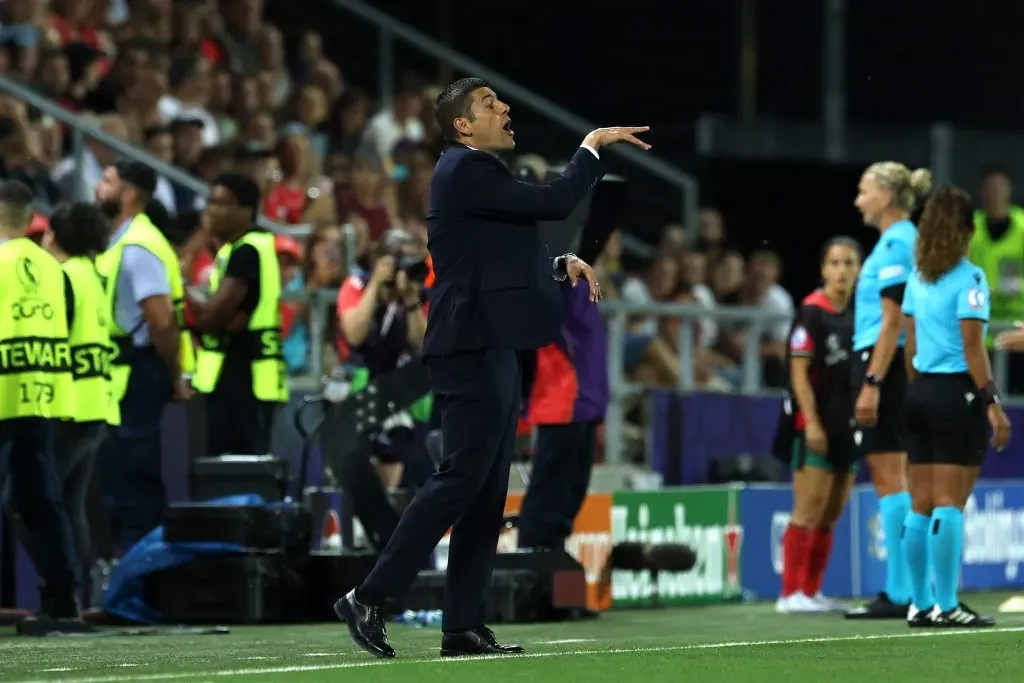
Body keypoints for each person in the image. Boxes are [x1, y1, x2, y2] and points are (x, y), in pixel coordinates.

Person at [335, 76, 649, 659]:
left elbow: (495, 258)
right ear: (462, 125)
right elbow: (554, 201)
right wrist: (591, 148)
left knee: (484, 490)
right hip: (470, 346)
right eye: (488, 104)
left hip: (489, 341)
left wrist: (558, 265)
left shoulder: (476, 178)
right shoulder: (465, 169)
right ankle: (369, 596)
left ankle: (463, 626)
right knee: (461, 477)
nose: (504, 108)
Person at [901, 186, 1010, 627]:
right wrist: (993, 404)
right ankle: (946, 605)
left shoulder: (916, 279)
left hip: (920, 391)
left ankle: (917, 603)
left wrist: (918, 394)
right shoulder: (971, 278)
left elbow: (910, 345)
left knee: (920, 503)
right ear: (966, 230)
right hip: (955, 394)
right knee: (950, 502)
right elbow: (972, 347)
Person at [94, 159, 194, 556]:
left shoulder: (138, 246)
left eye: (106, 181)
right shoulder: (120, 239)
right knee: (119, 478)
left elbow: (160, 320)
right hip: (121, 372)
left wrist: (174, 374)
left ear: (130, 193)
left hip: (140, 370)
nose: (98, 188)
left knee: (134, 478)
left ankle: (141, 576)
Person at [846, 161, 931, 620]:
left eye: (864, 191)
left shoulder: (897, 242)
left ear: (886, 195)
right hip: (891, 365)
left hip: (885, 366)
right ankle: (909, 587)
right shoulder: (898, 241)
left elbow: (893, 321)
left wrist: (873, 382)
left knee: (889, 480)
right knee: (897, 479)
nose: (858, 200)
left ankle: (900, 591)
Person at [0, 180, 81, 620]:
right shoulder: (53, 268)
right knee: (42, 500)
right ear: (31, 218)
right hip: (39, 396)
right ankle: (63, 597)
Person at [773, 237, 860, 614]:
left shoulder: (862, 312)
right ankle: (790, 593)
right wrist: (810, 424)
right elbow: (799, 374)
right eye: (835, 263)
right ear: (824, 269)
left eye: (849, 263)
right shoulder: (811, 311)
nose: (842, 271)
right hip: (815, 424)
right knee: (807, 507)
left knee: (832, 511)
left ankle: (812, 590)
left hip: (849, 424)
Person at [188, 173, 288, 456]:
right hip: (247, 378)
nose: (212, 210)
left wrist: (176, 286)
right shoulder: (248, 247)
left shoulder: (247, 251)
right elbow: (233, 320)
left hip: (242, 381)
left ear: (247, 210)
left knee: (238, 474)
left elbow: (212, 319)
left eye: (223, 203)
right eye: (210, 202)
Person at [42, 203, 119, 566]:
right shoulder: (93, 274)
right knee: (71, 505)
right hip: (97, 402)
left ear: (53, 235)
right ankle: (76, 596)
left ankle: (59, 592)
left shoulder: (62, 277)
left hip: (67, 405)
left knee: (34, 501)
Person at [518, 271, 609, 552]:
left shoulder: (583, 284)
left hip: (586, 402)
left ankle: (549, 566)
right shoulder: (553, 276)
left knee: (569, 498)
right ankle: (531, 564)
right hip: (562, 401)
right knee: (548, 498)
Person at [969, 167, 1024, 391]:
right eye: (990, 188)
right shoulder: (970, 226)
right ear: (982, 192)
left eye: (1000, 187)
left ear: (1010, 190)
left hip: (1016, 328)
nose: (995, 193)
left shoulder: (1022, 226)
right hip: (979, 329)